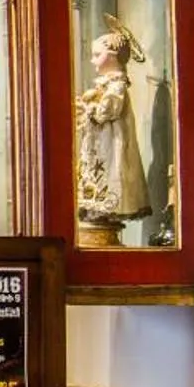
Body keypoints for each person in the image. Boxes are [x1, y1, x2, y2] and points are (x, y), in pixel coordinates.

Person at [75, 28, 151, 240]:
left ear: (113, 55)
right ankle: (95, 205)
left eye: (97, 55)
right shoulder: (107, 84)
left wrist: (90, 109)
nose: (93, 60)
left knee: (110, 169)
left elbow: (107, 110)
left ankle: (105, 206)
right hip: (99, 142)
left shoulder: (117, 85)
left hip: (110, 143)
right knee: (95, 168)